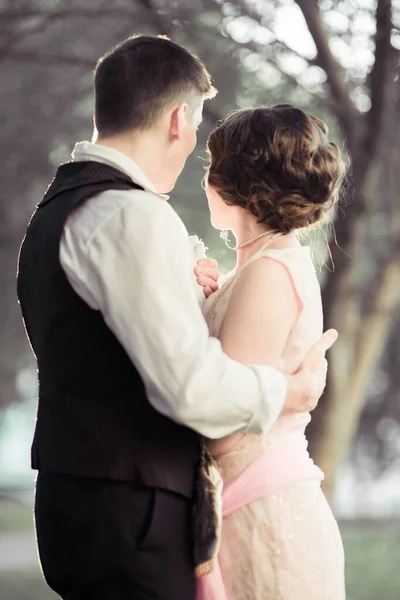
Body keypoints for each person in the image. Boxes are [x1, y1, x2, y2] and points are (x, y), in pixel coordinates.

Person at [16, 36, 336, 600]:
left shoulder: (60, 206)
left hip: (87, 502)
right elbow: (190, 387)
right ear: (177, 119)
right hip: (130, 512)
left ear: (100, 111)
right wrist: (287, 392)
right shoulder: (130, 215)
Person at [196, 104, 347, 600]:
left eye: (210, 166)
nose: (204, 179)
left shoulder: (268, 272)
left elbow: (223, 427)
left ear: (235, 180)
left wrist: (289, 389)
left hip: (265, 522)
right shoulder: (261, 264)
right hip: (253, 511)